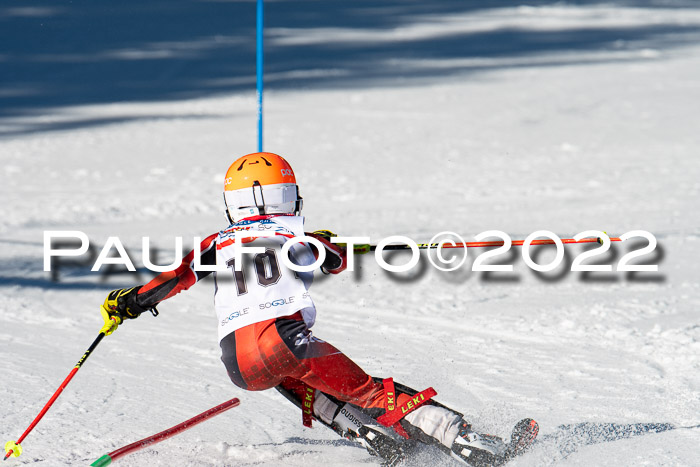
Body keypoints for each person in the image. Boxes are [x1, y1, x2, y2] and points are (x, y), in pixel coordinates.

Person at [100, 152, 536, 466]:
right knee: (368, 389)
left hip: (237, 361)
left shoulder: (217, 242)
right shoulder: (294, 230)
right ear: (286, 195)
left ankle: (368, 432)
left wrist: (129, 304)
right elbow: (335, 260)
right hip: (283, 338)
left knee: (290, 377)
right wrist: (326, 243)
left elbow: (174, 278)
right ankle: (472, 443)